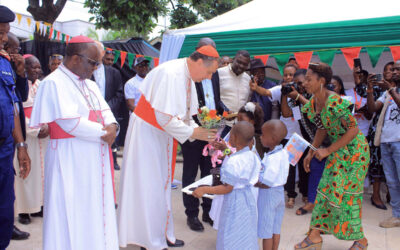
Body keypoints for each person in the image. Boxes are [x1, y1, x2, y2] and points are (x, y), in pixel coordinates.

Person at [117, 42, 219, 250]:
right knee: (149, 188)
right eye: (209, 72)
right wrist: (194, 132)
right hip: (147, 135)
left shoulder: (187, 75)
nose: (209, 78)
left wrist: (205, 134)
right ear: (199, 62)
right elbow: (164, 118)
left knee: (161, 187)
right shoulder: (171, 74)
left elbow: (184, 115)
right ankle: (149, 240)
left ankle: (162, 234)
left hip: (160, 136)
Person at [30, 35, 119, 250]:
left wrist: (113, 127)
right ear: (77, 58)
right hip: (68, 158)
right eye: (93, 62)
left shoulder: (90, 84)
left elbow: (107, 111)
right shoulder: (53, 83)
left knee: (93, 209)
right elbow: (70, 123)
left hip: (94, 158)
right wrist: (104, 132)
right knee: (69, 210)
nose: (96, 68)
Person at [295, 62, 369, 250]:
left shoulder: (335, 101)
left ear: (322, 81)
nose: (305, 83)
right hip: (339, 150)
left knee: (345, 196)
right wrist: (312, 151)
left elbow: (353, 130)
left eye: (309, 80)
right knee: (325, 190)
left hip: (355, 152)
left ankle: (361, 240)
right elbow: (322, 127)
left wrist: (327, 151)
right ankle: (314, 235)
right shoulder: (314, 101)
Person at [180, 38, 228, 232]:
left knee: (210, 173)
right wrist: (197, 127)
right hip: (193, 132)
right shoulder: (189, 73)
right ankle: (191, 214)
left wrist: (225, 114)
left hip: (212, 131)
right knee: (190, 174)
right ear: (198, 54)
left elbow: (214, 100)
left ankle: (208, 211)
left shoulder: (214, 73)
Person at [193, 121, 261, 250]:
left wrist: (204, 189)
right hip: (247, 200)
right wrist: (226, 150)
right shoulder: (253, 156)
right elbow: (239, 162)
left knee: (231, 231)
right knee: (245, 230)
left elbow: (227, 188)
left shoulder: (234, 162)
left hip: (235, 201)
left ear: (233, 138)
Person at [250, 63, 306, 209]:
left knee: (303, 167)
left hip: (302, 135)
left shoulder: (303, 90)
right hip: (286, 135)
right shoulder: (280, 89)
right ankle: (291, 196)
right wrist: (256, 88)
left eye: (291, 75)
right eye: (286, 75)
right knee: (290, 168)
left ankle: (305, 194)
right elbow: (266, 92)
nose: (288, 77)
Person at [0, 5, 31, 249]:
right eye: (0, 33)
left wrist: (21, 146)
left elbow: (13, 107)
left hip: (5, 149)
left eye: (6, 32)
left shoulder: (4, 64)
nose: (3, 38)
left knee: (4, 212)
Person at [209, 102, 264, 230]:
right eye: (237, 119)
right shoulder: (235, 134)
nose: (237, 122)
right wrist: (222, 150)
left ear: (252, 122)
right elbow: (231, 155)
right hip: (231, 180)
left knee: (234, 219)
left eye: (241, 120)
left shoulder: (250, 142)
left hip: (238, 188)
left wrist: (226, 150)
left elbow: (241, 160)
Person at [14, 55, 48, 225]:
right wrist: (34, 129)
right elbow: (16, 112)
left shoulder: (43, 85)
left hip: (43, 135)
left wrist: (47, 126)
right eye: (32, 67)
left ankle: (39, 205)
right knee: (26, 173)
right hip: (27, 134)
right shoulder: (18, 85)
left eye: (38, 67)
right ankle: (24, 210)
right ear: (24, 68)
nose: (36, 70)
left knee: (41, 173)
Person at [366, 60, 400, 228]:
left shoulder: (391, 91)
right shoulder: (387, 93)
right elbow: (372, 108)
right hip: (386, 141)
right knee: (392, 181)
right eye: (392, 70)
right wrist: (370, 89)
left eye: (397, 69)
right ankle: (397, 216)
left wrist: (391, 89)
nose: (394, 72)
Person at [256, 119, 289, 250]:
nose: (260, 136)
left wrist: (254, 183)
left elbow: (267, 182)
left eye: (263, 135)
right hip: (279, 193)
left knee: (266, 231)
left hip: (268, 195)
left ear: (273, 138)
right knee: (275, 228)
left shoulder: (272, 158)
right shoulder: (283, 153)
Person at [93, 41, 124, 171]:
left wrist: (107, 107)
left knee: (111, 138)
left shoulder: (114, 73)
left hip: (110, 111)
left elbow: (119, 93)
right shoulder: (85, 72)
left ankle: (113, 161)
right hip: (92, 113)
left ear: (102, 53)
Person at [214, 50, 251, 137]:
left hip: (238, 125)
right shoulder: (219, 73)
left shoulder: (248, 79)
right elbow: (214, 97)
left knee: (234, 150)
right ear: (233, 60)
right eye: (239, 62)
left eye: (245, 64)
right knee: (216, 149)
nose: (241, 66)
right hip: (220, 123)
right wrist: (224, 111)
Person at [249, 58, 277, 122]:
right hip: (254, 123)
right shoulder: (248, 86)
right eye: (257, 72)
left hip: (269, 122)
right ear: (251, 74)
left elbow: (275, 107)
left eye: (262, 71)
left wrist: (273, 122)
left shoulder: (271, 85)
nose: (260, 74)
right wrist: (251, 90)